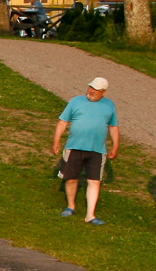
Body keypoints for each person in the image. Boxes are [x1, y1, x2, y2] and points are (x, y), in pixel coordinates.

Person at [51, 76, 119, 224]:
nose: (92, 91)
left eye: (96, 89)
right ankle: (70, 206)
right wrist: (56, 142)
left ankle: (90, 215)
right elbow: (63, 122)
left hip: (97, 149)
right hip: (74, 146)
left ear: (104, 92)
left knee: (94, 181)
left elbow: (113, 127)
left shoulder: (109, 106)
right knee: (71, 178)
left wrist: (115, 146)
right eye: (91, 87)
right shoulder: (76, 101)